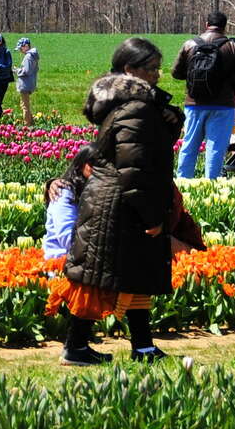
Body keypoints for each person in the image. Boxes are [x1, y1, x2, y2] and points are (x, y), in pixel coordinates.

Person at [63, 38, 186, 362]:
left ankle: (142, 346)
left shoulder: (134, 105)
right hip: (119, 202)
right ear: (130, 70)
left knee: (136, 273)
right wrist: (152, 216)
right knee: (97, 278)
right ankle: (75, 346)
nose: (157, 74)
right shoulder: (137, 109)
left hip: (119, 199)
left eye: (158, 68)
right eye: (151, 69)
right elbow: (135, 168)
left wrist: (170, 116)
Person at [42, 144, 111, 365]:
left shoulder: (94, 189)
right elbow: (67, 238)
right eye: (99, 166)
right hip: (61, 262)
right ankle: (77, 346)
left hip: (82, 257)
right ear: (84, 166)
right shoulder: (64, 192)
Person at [170, 10, 235, 179]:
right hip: (223, 105)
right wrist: (230, 87)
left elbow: (176, 73)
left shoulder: (190, 44)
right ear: (225, 27)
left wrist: (194, 78)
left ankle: (183, 181)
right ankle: (211, 183)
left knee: (189, 145)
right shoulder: (232, 47)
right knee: (216, 148)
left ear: (206, 25)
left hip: (194, 103)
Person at [14, 37, 41, 123]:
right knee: (25, 104)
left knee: (24, 106)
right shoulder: (32, 56)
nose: (20, 50)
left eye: (20, 48)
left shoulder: (28, 57)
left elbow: (26, 71)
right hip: (29, 83)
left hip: (25, 84)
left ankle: (27, 124)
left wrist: (16, 70)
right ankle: (31, 122)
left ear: (26, 46)